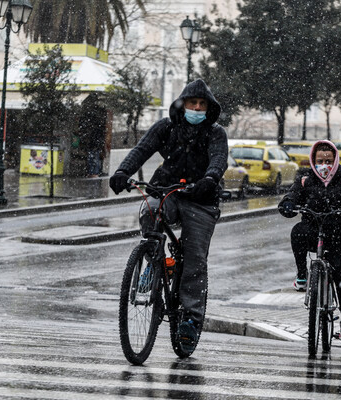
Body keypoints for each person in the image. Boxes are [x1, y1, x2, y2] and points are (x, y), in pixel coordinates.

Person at [109, 79, 228, 353]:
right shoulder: (167, 126)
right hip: (168, 188)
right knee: (150, 208)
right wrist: (122, 172)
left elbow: (219, 159)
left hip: (201, 198)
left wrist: (210, 178)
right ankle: (152, 259)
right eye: (192, 103)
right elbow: (142, 149)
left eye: (201, 104)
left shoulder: (215, 133)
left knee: (194, 258)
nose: (196, 108)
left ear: (209, 108)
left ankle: (190, 318)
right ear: (183, 104)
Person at [278, 140, 341, 340]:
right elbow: (291, 196)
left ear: (335, 160)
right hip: (315, 231)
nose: (324, 165)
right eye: (320, 160)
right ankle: (302, 275)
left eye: (329, 161)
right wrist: (287, 204)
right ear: (313, 160)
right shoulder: (305, 179)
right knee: (297, 232)